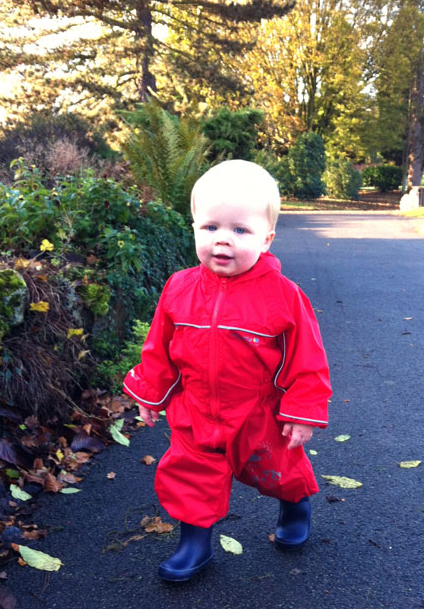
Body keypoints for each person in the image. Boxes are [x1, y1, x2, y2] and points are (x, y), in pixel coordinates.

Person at [123, 159, 332, 582]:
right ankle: (194, 542)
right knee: (189, 475)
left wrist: (301, 412)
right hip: (195, 409)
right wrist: (150, 393)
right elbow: (160, 347)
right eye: (211, 227)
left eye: (240, 230)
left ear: (267, 238)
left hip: (257, 412)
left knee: (279, 471)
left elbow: (307, 360)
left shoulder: (283, 297)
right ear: (194, 227)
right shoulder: (179, 288)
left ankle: (294, 505)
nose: (223, 240)